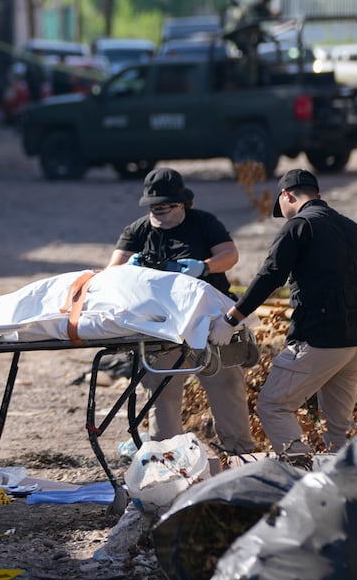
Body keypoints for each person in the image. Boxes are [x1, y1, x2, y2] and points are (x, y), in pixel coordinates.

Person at [222, 168, 357, 459]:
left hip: (321, 338)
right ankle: (343, 491)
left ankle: (302, 473)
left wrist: (232, 318)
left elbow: (270, 275)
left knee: (273, 405)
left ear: (287, 195)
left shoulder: (299, 225)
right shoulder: (353, 228)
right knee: (338, 428)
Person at [106, 166, 256, 454]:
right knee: (162, 392)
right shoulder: (138, 230)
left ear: (182, 203)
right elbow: (112, 271)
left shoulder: (203, 223)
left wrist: (205, 267)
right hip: (161, 325)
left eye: (165, 207)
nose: (159, 213)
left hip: (210, 322)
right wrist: (129, 268)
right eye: (154, 208)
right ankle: (167, 458)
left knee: (226, 387)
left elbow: (230, 254)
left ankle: (239, 454)